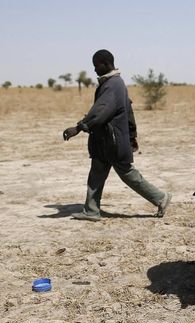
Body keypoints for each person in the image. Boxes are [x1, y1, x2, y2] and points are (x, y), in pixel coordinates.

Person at [62, 49, 171, 221]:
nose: (95, 69)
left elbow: (100, 112)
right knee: (96, 173)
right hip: (106, 141)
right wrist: (133, 134)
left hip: (111, 142)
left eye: (96, 66)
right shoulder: (114, 83)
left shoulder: (112, 85)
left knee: (128, 175)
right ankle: (91, 210)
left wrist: (79, 127)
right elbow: (129, 110)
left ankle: (160, 197)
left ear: (106, 64)